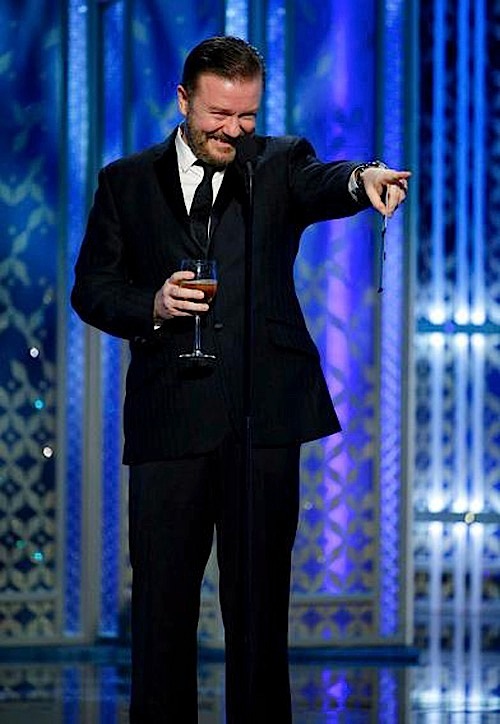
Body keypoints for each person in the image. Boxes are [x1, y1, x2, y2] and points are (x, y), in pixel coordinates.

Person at [71, 35, 410, 724]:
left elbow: (325, 181)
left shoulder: (277, 164)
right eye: (219, 115)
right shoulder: (125, 182)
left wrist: (363, 178)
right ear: (184, 99)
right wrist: (152, 304)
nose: (233, 130)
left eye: (247, 115)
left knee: (259, 612)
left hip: (262, 420)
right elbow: (92, 289)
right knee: (162, 612)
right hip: (169, 418)